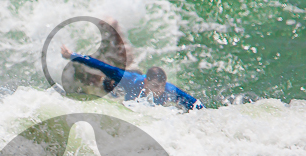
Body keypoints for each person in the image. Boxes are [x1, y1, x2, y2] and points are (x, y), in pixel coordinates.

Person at [60, 45, 205, 111]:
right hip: (114, 86)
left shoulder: (169, 89)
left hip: (134, 82)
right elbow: (101, 66)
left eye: (162, 86)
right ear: (146, 82)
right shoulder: (129, 80)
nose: (160, 90)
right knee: (98, 83)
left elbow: (194, 104)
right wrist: (72, 55)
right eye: (156, 86)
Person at [62, 16, 136, 95]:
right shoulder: (123, 73)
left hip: (112, 83)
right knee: (125, 59)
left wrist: (73, 56)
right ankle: (112, 27)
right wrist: (73, 55)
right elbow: (100, 66)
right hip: (124, 73)